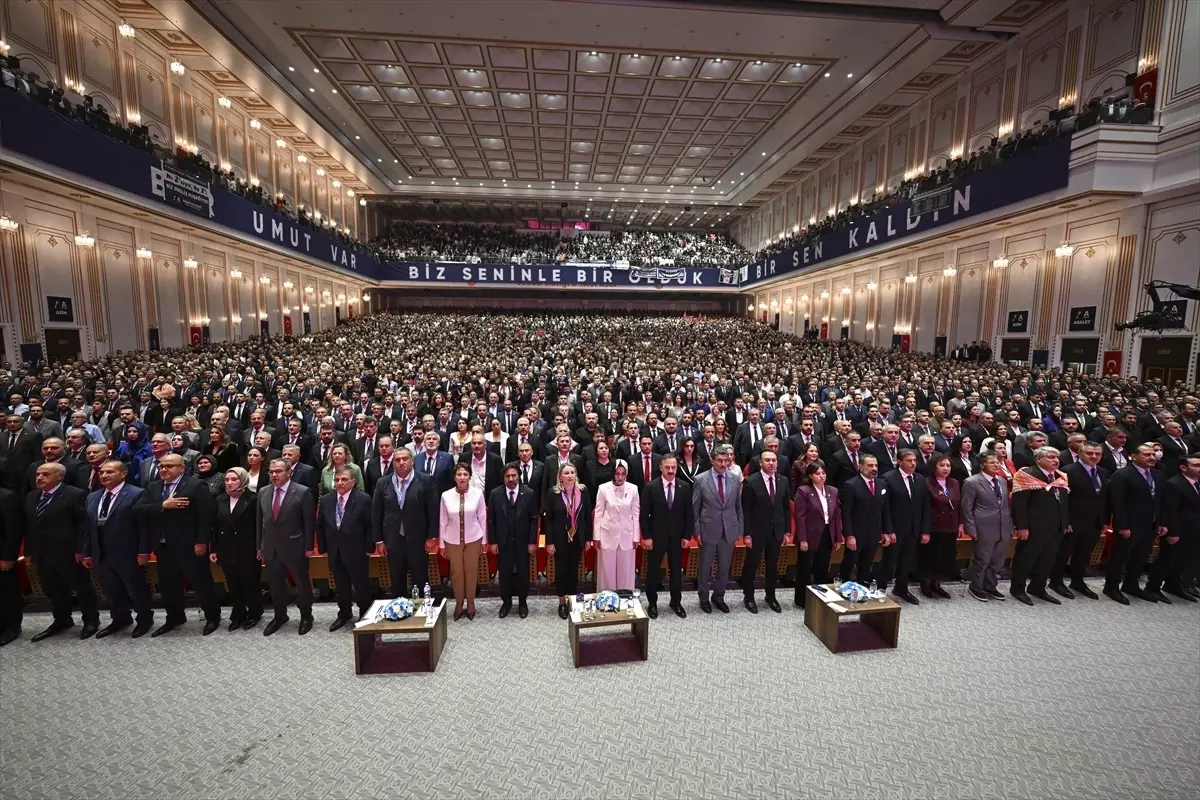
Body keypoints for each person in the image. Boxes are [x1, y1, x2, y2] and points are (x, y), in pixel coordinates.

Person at [134, 453, 221, 636]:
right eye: (161, 467)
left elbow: (207, 516)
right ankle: (175, 617)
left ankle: (213, 617)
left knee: (202, 584)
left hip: (190, 546)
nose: (163, 470)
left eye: (169, 466)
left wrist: (202, 541)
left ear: (181, 468)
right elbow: (138, 509)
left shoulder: (195, 485)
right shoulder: (154, 487)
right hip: (163, 547)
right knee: (168, 586)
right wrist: (163, 505)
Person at [24, 462, 97, 641]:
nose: (40, 478)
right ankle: (62, 619)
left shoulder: (75, 494)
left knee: (81, 587)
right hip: (43, 553)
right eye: (38, 475)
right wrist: (29, 551)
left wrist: (81, 549)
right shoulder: (32, 496)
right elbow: (30, 526)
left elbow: (83, 525)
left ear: (60, 476)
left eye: (45, 474)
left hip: (69, 552)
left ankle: (91, 620)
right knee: (53, 589)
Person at [82, 460, 152, 638]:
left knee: (136, 589)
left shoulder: (137, 494)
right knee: (111, 589)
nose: (104, 475)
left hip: (127, 552)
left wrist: (143, 551)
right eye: (102, 472)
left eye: (110, 472)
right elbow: (88, 528)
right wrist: (88, 552)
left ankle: (144, 619)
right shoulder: (93, 496)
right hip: (101, 552)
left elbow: (143, 526)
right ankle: (120, 618)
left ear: (123, 474)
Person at [257, 458, 316, 635]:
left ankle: (306, 615)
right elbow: (261, 522)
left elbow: (309, 523)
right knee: (275, 586)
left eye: (278, 471)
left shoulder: (302, 492)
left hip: (295, 546)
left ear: (289, 472)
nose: (274, 475)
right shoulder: (263, 492)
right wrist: (260, 547)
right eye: (271, 472)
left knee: (302, 584)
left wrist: (308, 547)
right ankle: (280, 616)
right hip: (271, 548)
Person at [372, 447, 439, 599]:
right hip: (393, 539)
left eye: (405, 459)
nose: (401, 463)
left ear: (412, 461)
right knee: (396, 578)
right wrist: (379, 540)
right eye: (397, 460)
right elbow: (376, 513)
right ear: (393, 464)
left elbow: (432, 510)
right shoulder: (382, 483)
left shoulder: (425, 480)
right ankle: (400, 610)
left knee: (420, 577)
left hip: (418, 539)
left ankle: (423, 611)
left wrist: (431, 537)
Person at [1105, 443, 1167, 604]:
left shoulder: (1158, 475)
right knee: (1120, 557)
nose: (1152, 457)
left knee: (1140, 557)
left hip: (1150, 524)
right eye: (1147, 454)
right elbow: (1117, 503)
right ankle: (1111, 587)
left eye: (1153, 454)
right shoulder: (1122, 475)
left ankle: (1131, 585)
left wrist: (1161, 522)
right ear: (1133, 456)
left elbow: (1160, 501)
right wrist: (1122, 525)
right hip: (1129, 525)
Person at [1010, 446, 1071, 606]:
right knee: (1026, 559)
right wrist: (1021, 526)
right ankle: (1017, 589)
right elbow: (1019, 505)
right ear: (1038, 459)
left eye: (1057, 457)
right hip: (1033, 527)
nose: (1056, 460)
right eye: (1051, 457)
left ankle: (1037, 587)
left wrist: (1065, 522)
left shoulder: (1059, 476)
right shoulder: (1027, 475)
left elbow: (1063, 502)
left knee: (1048, 559)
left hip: (1055, 526)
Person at [317, 466, 375, 630]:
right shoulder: (327, 500)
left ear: (353, 481)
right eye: (337, 480)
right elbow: (320, 524)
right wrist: (323, 548)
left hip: (357, 550)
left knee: (361, 585)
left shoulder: (363, 499)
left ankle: (365, 614)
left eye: (344, 479)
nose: (340, 483)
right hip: (335, 551)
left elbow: (369, 526)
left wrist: (369, 547)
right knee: (341, 586)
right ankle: (344, 613)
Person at [1049, 441, 1107, 600]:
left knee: (1084, 553)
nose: (1094, 456)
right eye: (1090, 453)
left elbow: (1103, 499)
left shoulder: (1103, 472)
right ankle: (1055, 581)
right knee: (1063, 552)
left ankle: (1077, 581)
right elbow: (1062, 499)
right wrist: (1065, 521)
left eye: (1097, 454)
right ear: (1080, 453)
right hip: (1072, 521)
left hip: (1094, 520)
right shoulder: (1068, 471)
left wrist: (1104, 520)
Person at [640, 453, 694, 619]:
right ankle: (653, 603)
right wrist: (647, 536)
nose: (671, 471)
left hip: (677, 537)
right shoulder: (650, 487)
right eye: (667, 467)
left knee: (676, 571)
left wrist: (687, 536)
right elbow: (644, 515)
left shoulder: (684, 487)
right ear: (661, 468)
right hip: (656, 537)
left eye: (673, 467)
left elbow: (689, 515)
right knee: (653, 571)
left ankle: (675, 602)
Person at [692, 444, 742, 614]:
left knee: (723, 568)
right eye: (719, 460)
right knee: (705, 567)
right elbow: (695, 509)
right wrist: (697, 532)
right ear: (712, 461)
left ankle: (719, 597)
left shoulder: (734, 478)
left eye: (726, 460)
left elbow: (738, 506)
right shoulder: (700, 479)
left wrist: (739, 529)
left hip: (728, 529)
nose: (723, 464)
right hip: (708, 529)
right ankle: (704, 598)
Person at [739, 449, 789, 613]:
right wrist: (746, 533)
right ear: (760, 463)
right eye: (767, 460)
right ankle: (749, 597)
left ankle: (771, 596)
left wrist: (787, 532)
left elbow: (785, 508)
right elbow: (745, 510)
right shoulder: (751, 482)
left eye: (774, 460)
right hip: (756, 532)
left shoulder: (783, 480)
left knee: (772, 566)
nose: (771, 463)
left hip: (777, 531)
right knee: (752, 565)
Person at [213, 467, 263, 630]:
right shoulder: (219, 499)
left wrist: (260, 547)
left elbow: (259, 526)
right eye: (227, 480)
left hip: (247, 547)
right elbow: (215, 525)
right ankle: (238, 614)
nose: (229, 483)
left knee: (250, 582)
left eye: (233, 479)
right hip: (226, 547)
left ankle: (255, 612)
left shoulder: (254, 498)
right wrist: (213, 549)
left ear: (242, 480)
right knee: (233, 583)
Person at [877, 449, 929, 604]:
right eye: (909, 460)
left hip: (913, 529)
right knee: (889, 561)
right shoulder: (888, 478)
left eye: (914, 461)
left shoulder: (920, 479)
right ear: (899, 461)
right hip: (895, 529)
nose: (913, 463)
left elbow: (925, 506)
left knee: (906, 561)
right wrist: (888, 530)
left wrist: (925, 530)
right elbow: (885, 508)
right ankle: (881, 589)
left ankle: (901, 588)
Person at [1146, 454, 1200, 602]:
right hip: (1178, 530)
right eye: (1196, 465)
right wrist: (1173, 532)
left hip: (1195, 530)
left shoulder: (1197, 482)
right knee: (1167, 559)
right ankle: (1153, 587)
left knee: (1185, 560)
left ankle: (1173, 584)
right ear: (1183, 468)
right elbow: (1170, 511)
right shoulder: (1174, 484)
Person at [487, 464, 538, 618]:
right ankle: (506, 602)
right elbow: (491, 520)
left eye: (513, 475)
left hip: (523, 541)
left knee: (523, 572)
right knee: (505, 574)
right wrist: (493, 541)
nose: (510, 479)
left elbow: (534, 519)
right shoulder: (495, 494)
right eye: (507, 476)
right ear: (503, 478)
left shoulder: (529, 493)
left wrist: (532, 541)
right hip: (503, 542)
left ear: (519, 476)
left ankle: (523, 602)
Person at [962, 453, 1014, 602]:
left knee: (997, 560)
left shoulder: (1002, 481)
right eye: (992, 463)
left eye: (998, 462)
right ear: (982, 465)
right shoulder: (972, 482)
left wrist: (1010, 526)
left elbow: (1006, 506)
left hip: (1003, 526)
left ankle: (990, 586)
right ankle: (976, 587)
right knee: (982, 560)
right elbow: (967, 508)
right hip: (983, 527)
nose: (997, 465)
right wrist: (970, 529)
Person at [439, 463, 487, 620]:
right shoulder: (445, 495)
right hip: (452, 540)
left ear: (470, 477)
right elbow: (442, 520)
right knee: (456, 573)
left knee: (471, 572)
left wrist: (484, 540)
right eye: (459, 474)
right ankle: (459, 603)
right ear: (454, 477)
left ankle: (471, 603)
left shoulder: (478, 494)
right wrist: (441, 544)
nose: (462, 477)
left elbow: (482, 518)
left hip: (473, 538)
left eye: (465, 474)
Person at [545, 462, 592, 619]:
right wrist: (549, 542)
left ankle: (572, 600)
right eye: (566, 473)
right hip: (560, 538)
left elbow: (587, 517)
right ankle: (561, 602)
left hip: (578, 537)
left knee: (574, 570)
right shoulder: (553, 493)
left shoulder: (583, 491)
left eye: (572, 472)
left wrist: (588, 539)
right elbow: (549, 520)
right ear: (560, 476)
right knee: (561, 570)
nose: (570, 475)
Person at [792, 461, 842, 607]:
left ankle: (820, 598)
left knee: (822, 567)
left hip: (827, 533)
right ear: (810, 475)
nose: (821, 476)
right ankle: (801, 600)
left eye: (823, 473)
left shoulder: (832, 491)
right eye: (817, 474)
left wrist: (838, 537)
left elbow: (836, 516)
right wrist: (802, 539)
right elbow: (800, 517)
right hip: (809, 534)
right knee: (805, 568)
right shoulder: (804, 491)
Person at [839, 453, 888, 586]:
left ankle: (863, 589)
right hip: (856, 533)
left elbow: (884, 510)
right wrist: (849, 535)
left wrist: (885, 531)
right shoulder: (851, 485)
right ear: (860, 467)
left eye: (876, 465)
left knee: (867, 564)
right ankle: (843, 587)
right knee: (849, 563)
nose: (874, 468)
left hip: (874, 532)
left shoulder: (882, 484)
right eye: (870, 465)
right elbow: (846, 512)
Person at [593, 459, 641, 592]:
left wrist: (636, 537)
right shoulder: (603, 488)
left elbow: (636, 514)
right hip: (607, 534)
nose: (620, 477)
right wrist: (596, 536)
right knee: (607, 570)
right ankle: (607, 600)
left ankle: (625, 599)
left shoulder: (633, 489)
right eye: (617, 474)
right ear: (612, 473)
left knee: (626, 570)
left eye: (623, 474)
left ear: (626, 474)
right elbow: (598, 513)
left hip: (627, 535)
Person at [921, 453, 962, 599]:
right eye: (942, 465)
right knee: (931, 556)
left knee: (945, 557)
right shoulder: (926, 482)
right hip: (935, 526)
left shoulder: (954, 483)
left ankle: (937, 583)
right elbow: (924, 508)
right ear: (934, 466)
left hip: (951, 525)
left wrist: (960, 525)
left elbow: (958, 506)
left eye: (948, 465)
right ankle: (925, 583)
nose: (946, 468)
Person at [0, 485, 23, 646]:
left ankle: (12, 627)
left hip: (2, 556)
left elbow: (13, 530)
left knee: (7, 592)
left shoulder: (7, 497)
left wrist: (9, 557)